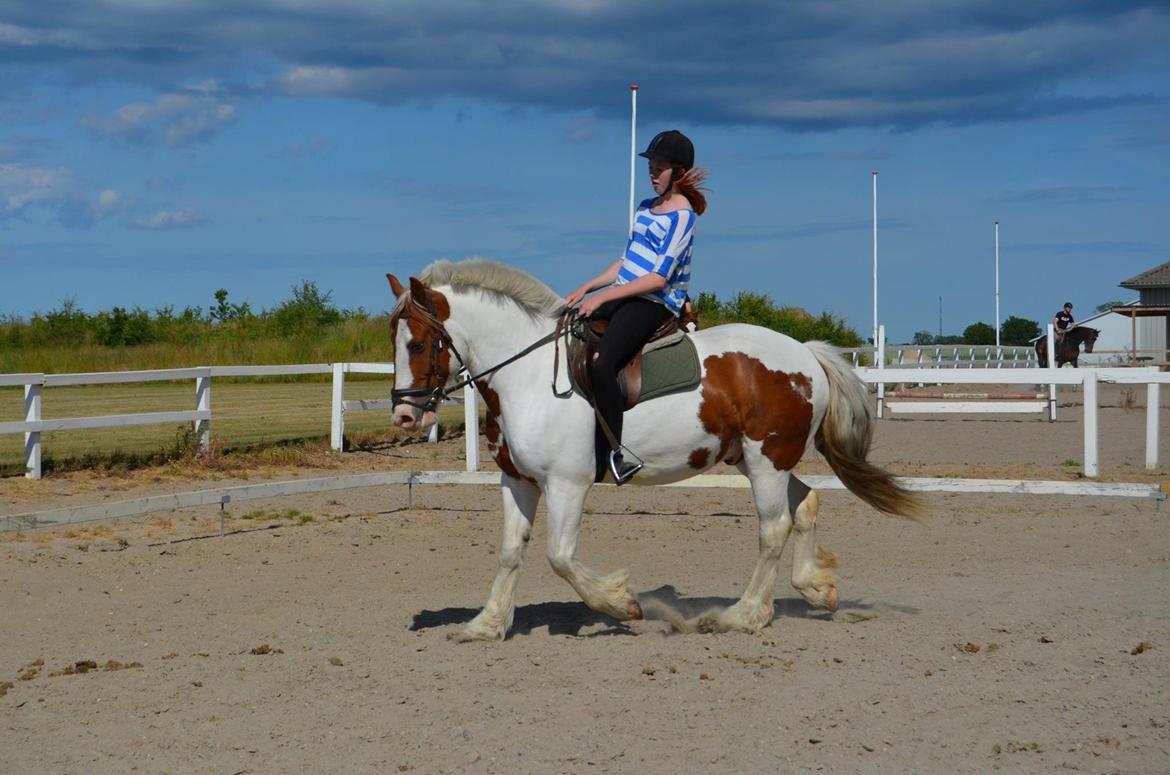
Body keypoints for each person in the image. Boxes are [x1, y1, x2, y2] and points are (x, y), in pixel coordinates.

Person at [565, 129, 708, 485]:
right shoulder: (645, 208)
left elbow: (658, 278)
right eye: (651, 167)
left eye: (659, 167)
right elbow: (626, 263)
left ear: (678, 171)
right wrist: (588, 287)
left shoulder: (683, 217)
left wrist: (603, 298)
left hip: (654, 302)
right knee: (570, 333)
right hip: (625, 293)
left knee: (603, 365)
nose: (652, 173)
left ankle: (613, 454)